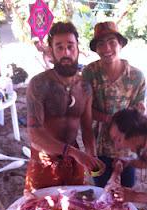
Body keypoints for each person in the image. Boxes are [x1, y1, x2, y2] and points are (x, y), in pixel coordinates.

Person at [25, 21, 105, 193]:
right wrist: (75, 153)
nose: (66, 52)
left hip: (74, 161)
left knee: (74, 208)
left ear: (78, 49)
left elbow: (87, 129)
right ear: (51, 51)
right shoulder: (39, 84)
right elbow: (35, 133)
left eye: (70, 46)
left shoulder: (85, 87)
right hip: (43, 160)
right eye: (59, 47)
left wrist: (91, 156)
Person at [82, 21, 146, 188]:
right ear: (96, 49)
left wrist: (126, 144)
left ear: (120, 44)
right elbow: (85, 109)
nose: (106, 48)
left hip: (127, 146)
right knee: (101, 191)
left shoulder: (136, 77)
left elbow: (138, 114)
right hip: (99, 145)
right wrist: (107, 119)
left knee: (125, 191)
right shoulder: (89, 73)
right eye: (101, 44)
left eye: (112, 42)